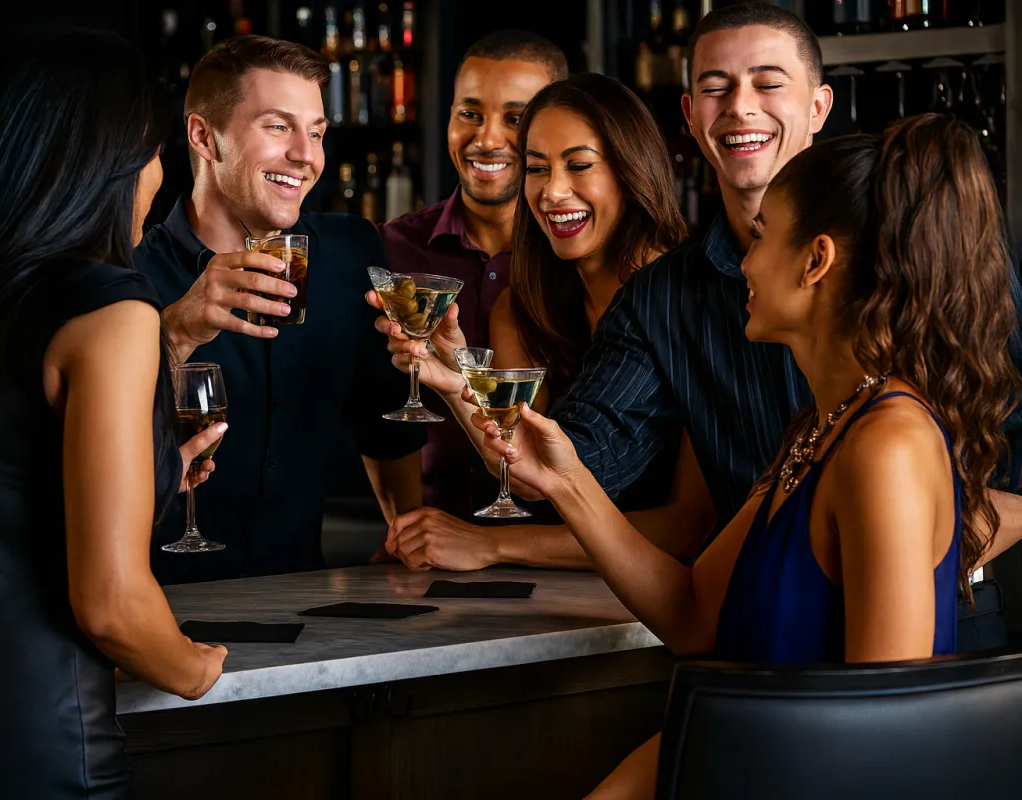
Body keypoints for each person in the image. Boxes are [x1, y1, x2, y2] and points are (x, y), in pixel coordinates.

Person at [473, 114, 1017, 799]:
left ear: (816, 261)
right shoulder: (819, 429)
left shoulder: (889, 445)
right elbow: (691, 614)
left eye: (761, 238)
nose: (745, 264)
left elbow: (882, 742)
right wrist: (567, 481)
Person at [0, 31, 227, 797]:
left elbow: (5, 496)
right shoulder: (115, 309)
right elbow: (111, 606)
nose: (158, 176)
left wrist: (155, 470)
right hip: (39, 749)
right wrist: (191, 667)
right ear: (105, 163)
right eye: (152, 152)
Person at [374, 73, 716, 571]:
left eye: (579, 165)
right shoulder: (520, 308)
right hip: (555, 590)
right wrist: (455, 379)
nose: (553, 192)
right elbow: (528, 473)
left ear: (631, 170)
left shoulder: (693, 299)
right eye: (537, 168)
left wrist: (494, 546)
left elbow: (687, 527)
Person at [135, 35, 426, 583]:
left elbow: (386, 425)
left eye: (315, 132)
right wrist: (174, 330)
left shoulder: (350, 253)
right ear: (203, 136)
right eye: (278, 127)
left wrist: (406, 535)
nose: (306, 156)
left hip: (304, 600)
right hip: (162, 602)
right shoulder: (132, 275)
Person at [380, 30, 566, 519]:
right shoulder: (392, 248)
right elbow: (365, 404)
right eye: (470, 114)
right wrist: (399, 521)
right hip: (427, 533)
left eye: (515, 119)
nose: (486, 140)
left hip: (555, 537)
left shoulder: (575, 255)